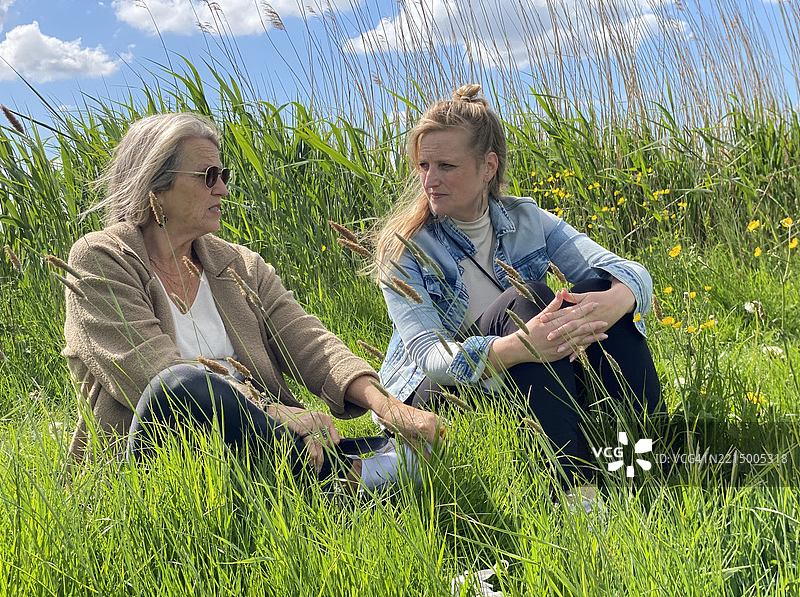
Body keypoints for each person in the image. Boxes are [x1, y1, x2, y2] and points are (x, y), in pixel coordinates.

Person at [62, 112, 441, 490]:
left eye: (223, 175)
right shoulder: (100, 259)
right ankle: (350, 480)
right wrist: (271, 411)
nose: (223, 189)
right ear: (155, 184)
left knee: (412, 443)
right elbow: (151, 372)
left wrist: (385, 403)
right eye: (208, 176)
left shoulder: (238, 264)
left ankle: (338, 479)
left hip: (262, 442)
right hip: (158, 468)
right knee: (182, 383)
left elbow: (307, 339)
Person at [372, 85, 661, 489]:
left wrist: (617, 299)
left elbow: (630, 271)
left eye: (446, 166)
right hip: (441, 397)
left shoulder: (525, 217)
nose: (429, 180)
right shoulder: (405, 248)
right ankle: (574, 493)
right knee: (530, 302)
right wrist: (521, 347)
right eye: (423, 165)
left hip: (524, 384)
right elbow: (429, 357)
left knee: (599, 288)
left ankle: (644, 466)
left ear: (487, 167)